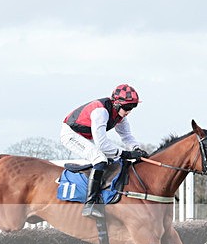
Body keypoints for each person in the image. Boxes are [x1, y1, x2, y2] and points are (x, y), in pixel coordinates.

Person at [60, 83, 149, 218]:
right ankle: (89, 206)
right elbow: (101, 144)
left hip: (86, 136)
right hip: (71, 134)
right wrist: (126, 153)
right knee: (100, 159)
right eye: (127, 107)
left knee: (112, 160)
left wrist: (137, 149)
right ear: (117, 104)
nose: (129, 111)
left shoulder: (121, 116)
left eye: (133, 107)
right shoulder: (101, 112)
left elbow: (126, 136)